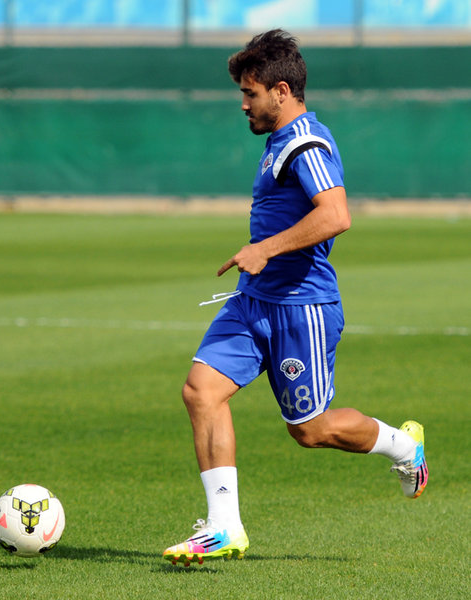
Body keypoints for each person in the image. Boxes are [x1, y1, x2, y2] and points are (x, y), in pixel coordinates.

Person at [162, 29, 428, 567]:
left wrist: (265, 248)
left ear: (281, 91)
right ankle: (224, 527)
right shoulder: (278, 140)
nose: (244, 104)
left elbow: (337, 215)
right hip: (252, 301)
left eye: (251, 93)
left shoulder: (306, 143)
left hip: (300, 309)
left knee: (309, 430)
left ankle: (404, 447)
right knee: (200, 392)